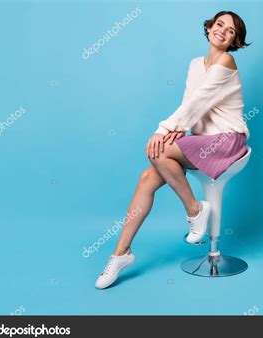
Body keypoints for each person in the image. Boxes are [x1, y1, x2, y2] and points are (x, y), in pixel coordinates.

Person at [95, 10, 251, 289]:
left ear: (234, 41)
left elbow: (198, 102)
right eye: (219, 25)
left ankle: (194, 210)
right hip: (202, 143)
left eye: (230, 31)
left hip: (227, 141)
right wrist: (177, 129)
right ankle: (120, 254)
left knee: (159, 150)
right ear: (209, 28)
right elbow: (190, 104)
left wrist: (162, 130)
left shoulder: (227, 61)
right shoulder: (195, 65)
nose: (222, 32)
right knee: (146, 178)